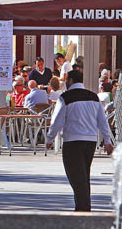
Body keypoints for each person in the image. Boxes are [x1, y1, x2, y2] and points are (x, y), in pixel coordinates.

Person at [45, 70, 114, 212]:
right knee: (83, 174)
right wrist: (107, 140)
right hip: (90, 142)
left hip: (72, 141)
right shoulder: (94, 97)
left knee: (75, 176)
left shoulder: (65, 97)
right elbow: (102, 120)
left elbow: (57, 120)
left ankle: (83, 209)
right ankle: (82, 206)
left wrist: (49, 138)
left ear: (70, 81)